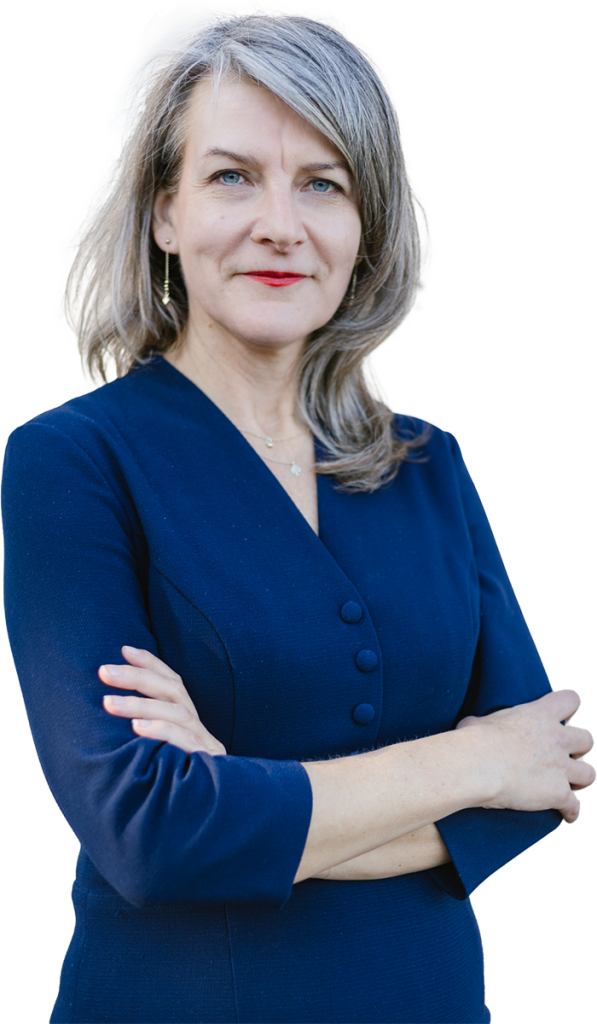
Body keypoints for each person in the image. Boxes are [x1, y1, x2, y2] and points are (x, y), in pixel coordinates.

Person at [2, 3, 594, 1022]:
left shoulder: (426, 461)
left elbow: (539, 785)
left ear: (365, 227)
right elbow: (150, 833)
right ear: (164, 212)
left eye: (323, 183)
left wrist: (236, 795)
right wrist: (466, 763)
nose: (281, 223)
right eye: (233, 176)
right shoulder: (73, 460)